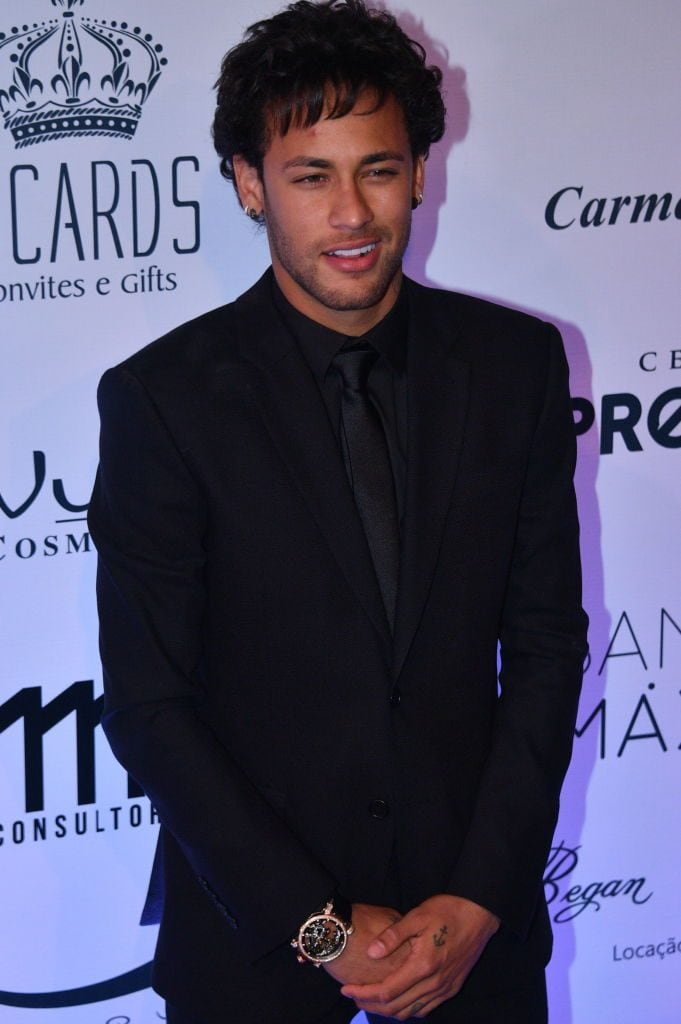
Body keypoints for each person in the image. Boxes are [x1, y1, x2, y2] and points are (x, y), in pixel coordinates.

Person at [88, 2, 588, 1022]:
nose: (353, 214)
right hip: (255, 952)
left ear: (419, 171)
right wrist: (317, 927)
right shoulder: (164, 400)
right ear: (249, 183)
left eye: (379, 170)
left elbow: (544, 648)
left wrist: (481, 898)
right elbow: (149, 705)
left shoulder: (515, 367)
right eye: (312, 176)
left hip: (472, 942)